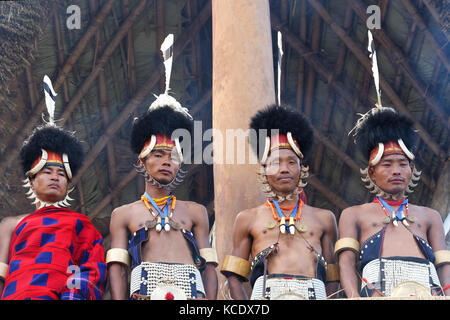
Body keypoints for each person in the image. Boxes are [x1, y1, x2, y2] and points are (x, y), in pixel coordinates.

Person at [106, 34, 218, 300]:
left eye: (173, 156)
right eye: (158, 154)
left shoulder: (196, 212)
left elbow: (209, 267)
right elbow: (117, 269)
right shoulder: (123, 215)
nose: (167, 161)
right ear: (141, 161)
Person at [0, 76, 106, 300]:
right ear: (31, 179)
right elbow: (1, 274)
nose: (55, 177)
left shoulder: (80, 224)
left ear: (68, 185)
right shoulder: (11, 225)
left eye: (61, 174)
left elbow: (91, 271)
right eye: (47, 172)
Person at [220, 104, 339, 300]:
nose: (284, 169)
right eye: (276, 162)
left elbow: (333, 276)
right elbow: (233, 275)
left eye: (291, 162)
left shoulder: (324, 218)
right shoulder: (247, 219)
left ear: (302, 168)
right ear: (264, 170)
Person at [336, 106, 450, 297]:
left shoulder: (430, 216)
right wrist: (354, 297)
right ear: (371, 172)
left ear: (411, 170)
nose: (396, 171)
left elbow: (444, 263)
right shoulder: (353, 214)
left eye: (402, 164)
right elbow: (346, 261)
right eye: (387, 164)